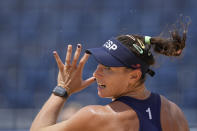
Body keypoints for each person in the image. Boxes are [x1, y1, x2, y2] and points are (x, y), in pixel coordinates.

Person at [30, 22, 189, 131]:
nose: (96, 73)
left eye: (107, 68)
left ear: (134, 76)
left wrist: (62, 89)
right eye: (98, 64)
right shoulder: (175, 113)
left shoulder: (98, 117)